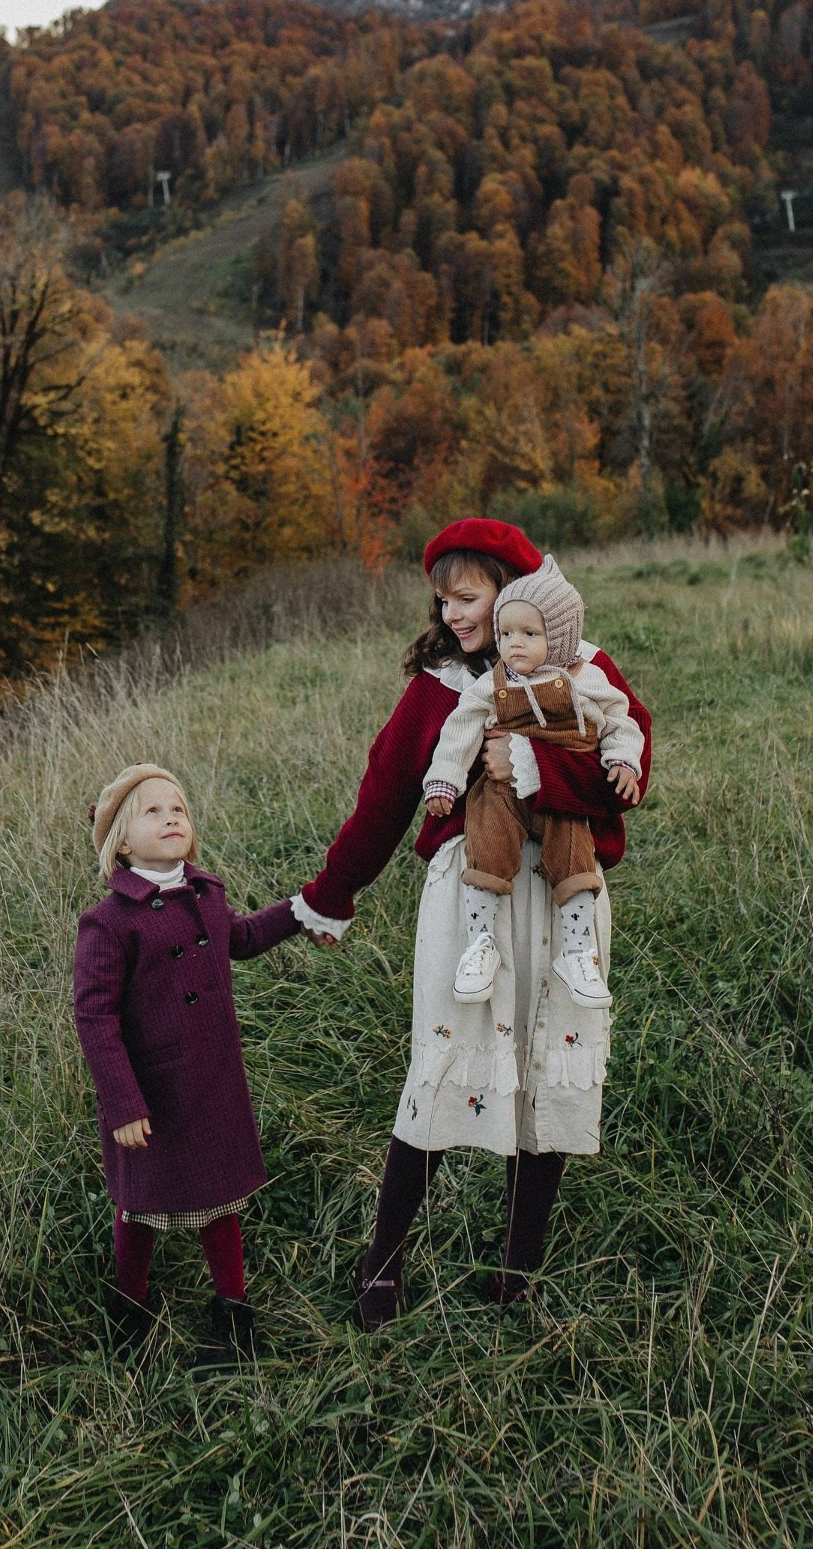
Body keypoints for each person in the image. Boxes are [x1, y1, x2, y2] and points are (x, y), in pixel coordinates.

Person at [289, 519, 651, 1323]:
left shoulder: (584, 670)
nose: (453, 613)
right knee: (447, 1057)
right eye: (443, 599)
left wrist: (529, 764)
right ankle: (382, 1264)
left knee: (550, 1059)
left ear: (516, 592)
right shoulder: (441, 688)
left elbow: (624, 770)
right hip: (470, 898)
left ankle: (517, 1271)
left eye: (468, 595)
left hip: (563, 895)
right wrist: (330, 894)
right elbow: (382, 801)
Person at [73, 763, 308, 1369]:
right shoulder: (109, 922)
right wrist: (123, 1103)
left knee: (221, 1197)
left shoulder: (207, 894)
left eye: (178, 808)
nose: (171, 817)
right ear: (121, 842)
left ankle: (233, 1311)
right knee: (142, 1201)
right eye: (152, 811)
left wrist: (304, 910)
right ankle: (131, 1305)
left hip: (212, 1079)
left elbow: (246, 939)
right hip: (152, 1092)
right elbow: (94, 1017)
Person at [422, 553, 644, 1011]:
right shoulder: (489, 683)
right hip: (500, 799)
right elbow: (460, 730)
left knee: (573, 853)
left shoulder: (589, 677)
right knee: (487, 840)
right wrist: (443, 780)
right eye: (507, 634)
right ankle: (480, 944)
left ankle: (578, 951)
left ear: (561, 639)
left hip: (562, 805)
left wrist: (624, 762)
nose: (514, 645)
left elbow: (623, 721)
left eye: (529, 634)